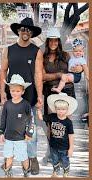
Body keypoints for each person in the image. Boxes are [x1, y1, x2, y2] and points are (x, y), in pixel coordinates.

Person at [0, 17, 43, 175]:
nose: (26, 32)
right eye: (23, 29)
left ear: (32, 33)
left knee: (32, 130)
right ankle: (7, 159)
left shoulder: (36, 51)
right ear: (18, 31)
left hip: (29, 98)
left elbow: (38, 74)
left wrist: (40, 95)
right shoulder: (8, 49)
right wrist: (2, 92)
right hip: (12, 96)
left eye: (29, 30)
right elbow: (3, 71)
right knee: (9, 128)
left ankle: (33, 158)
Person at [41, 27, 83, 164]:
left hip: (68, 92)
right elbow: (42, 76)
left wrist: (80, 68)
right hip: (50, 92)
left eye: (56, 41)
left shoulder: (66, 55)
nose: (53, 43)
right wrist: (59, 75)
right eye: (51, 40)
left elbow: (76, 71)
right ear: (47, 42)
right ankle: (51, 152)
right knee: (51, 125)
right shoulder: (43, 57)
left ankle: (66, 153)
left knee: (66, 123)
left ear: (59, 42)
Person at [0, 74, 33, 177]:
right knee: (8, 156)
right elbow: (3, 119)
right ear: (10, 90)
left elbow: (31, 120)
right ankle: (8, 173)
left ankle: (26, 172)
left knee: (23, 157)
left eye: (18, 91)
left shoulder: (25, 104)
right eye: (13, 91)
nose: (15, 93)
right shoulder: (7, 104)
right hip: (8, 137)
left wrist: (29, 133)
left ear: (23, 91)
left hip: (21, 137)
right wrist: (1, 132)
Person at [43, 93, 77, 177]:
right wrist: (39, 110)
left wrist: (71, 148)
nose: (61, 111)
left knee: (65, 160)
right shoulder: (52, 117)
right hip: (53, 146)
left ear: (67, 109)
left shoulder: (68, 122)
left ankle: (66, 170)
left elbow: (71, 135)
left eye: (63, 109)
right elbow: (42, 117)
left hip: (64, 147)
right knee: (54, 159)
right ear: (55, 109)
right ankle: (56, 170)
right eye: (58, 109)